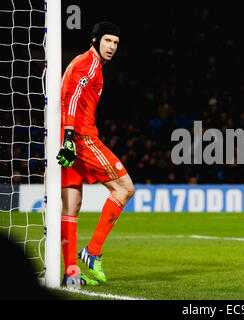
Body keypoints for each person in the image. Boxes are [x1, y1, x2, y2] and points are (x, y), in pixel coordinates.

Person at [57, 21, 135, 286]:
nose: (111, 47)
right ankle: (92, 251)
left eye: (115, 43)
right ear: (95, 40)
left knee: (72, 204)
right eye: (107, 41)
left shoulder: (86, 63)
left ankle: (70, 272)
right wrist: (69, 137)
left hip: (67, 140)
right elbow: (71, 96)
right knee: (125, 188)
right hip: (80, 139)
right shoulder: (89, 63)